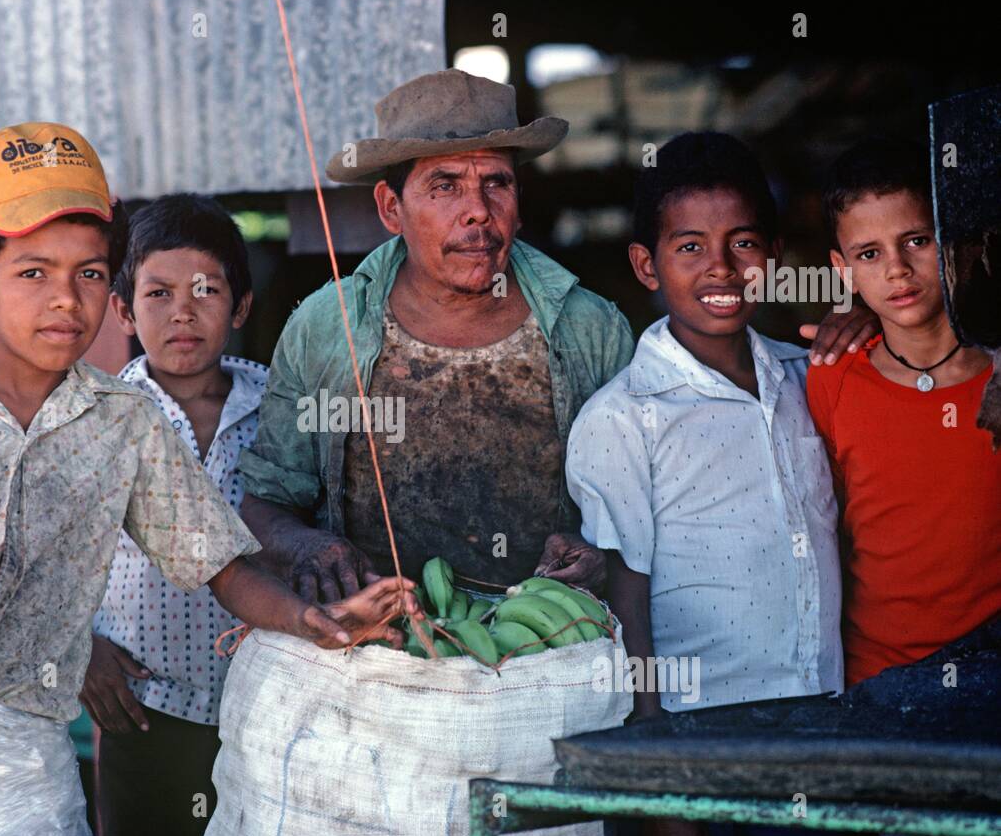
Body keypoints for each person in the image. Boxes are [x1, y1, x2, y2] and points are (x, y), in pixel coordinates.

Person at [0, 123, 420, 836]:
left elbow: (221, 569)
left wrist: (313, 621)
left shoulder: (123, 421)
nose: (66, 300)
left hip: (32, 770)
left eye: (90, 273)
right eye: (32, 273)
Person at [240, 69, 876, 607]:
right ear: (389, 207)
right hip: (379, 660)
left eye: (497, 182)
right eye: (445, 186)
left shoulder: (588, 325)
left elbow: (652, 502)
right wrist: (309, 546)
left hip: (547, 655)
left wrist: (597, 557)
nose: (477, 211)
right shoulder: (326, 327)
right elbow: (266, 500)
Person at [567, 132, 846, 836]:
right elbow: (625, 609)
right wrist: (668, 802)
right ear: (646, 265)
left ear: (774, 256)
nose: (721, 266)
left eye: (743, 243)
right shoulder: (624, 417)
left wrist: (868, 320)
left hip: (832, 728)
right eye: (689, 246)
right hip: (705, 745)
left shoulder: (815, 378)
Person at [85, 193, 268, 836]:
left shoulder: (280, 411)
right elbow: (45, 555)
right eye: (158, 293)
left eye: (206, 290)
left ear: (240, 305)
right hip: (141, 710)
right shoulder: (99, 417)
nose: (182, 311)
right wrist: (81, 649)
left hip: (264, 707)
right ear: (123, 309)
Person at [809, 137, 1001, 687]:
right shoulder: (833, 379)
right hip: (876, 679)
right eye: (869, 254)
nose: (896, 269)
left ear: (953, 242)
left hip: (990, 675)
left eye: (916, 240)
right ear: (842, 271)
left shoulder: (997, 378)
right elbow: (830, 520)